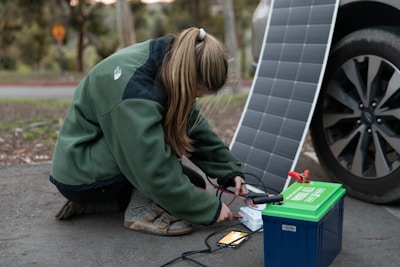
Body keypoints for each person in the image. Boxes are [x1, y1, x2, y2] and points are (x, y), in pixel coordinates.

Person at [50, 27, 249, 236]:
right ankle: (139, 212)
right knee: (167, 168)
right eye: (196, 95)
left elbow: (193, 125)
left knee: (193, 184)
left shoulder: (174, 59)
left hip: (98, 159)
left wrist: (229, 170)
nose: (195, 100)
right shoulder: (136, 92)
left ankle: (104, 203)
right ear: (189, 78)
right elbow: (151, 166)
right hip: (78, 171)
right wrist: (208, 209)